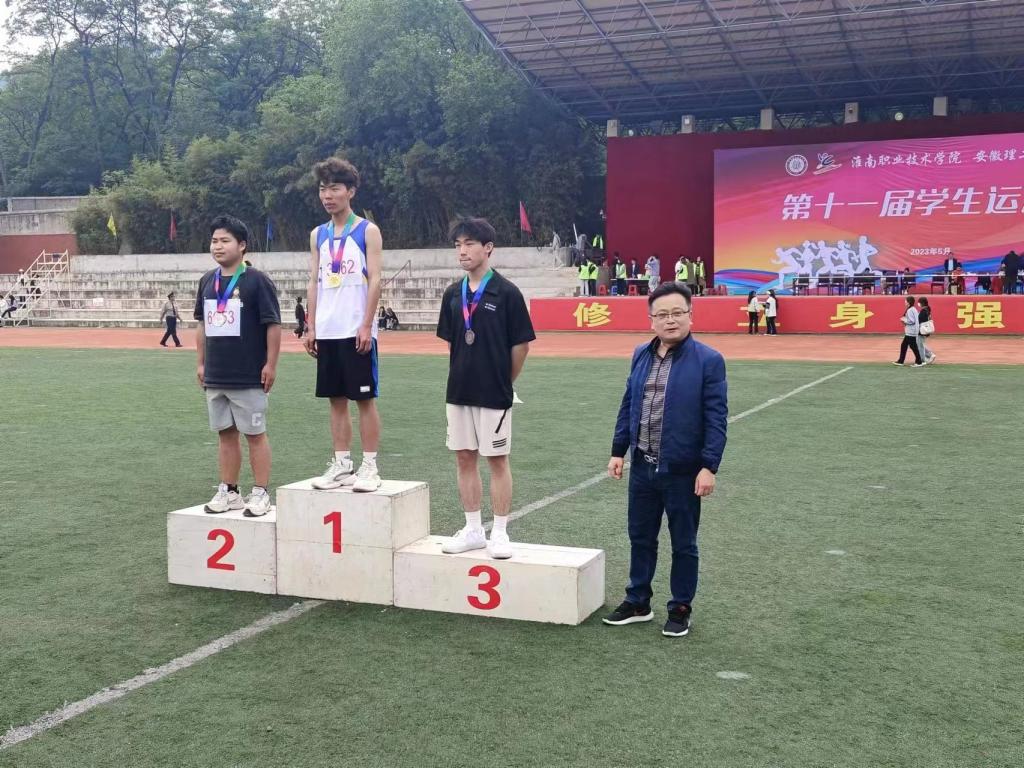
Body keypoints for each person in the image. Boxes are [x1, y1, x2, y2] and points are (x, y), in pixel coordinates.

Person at [603, 281, 728, 637]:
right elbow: (629, 403)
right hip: (643, 467)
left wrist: (709, 466)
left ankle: (680, 608)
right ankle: (638, 601)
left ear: (690, 315)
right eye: (662, 315)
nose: (670, 320)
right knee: (640, 537)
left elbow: (716, 417)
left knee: (684, 543)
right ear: (651, 320)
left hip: (683, 471)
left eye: (677, 313)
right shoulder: (641, 354)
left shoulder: (709, 360)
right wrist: (618, 450)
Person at [436, 217, 536, 560]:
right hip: (458, 391)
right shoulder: (453, 294)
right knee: (464, 458)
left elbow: (521, 345)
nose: (462, 251)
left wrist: (504, 381)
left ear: (488, 248)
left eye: (469, 244)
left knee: (496, 460)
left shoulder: (507, 293)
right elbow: (453, 342)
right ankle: (473, 530)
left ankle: (501, 532)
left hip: (494, 393)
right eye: (458, 245)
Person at [194, 215, 281, 517]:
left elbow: (272, 325)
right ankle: (230, 491)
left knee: (255, 434)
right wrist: (201, 363)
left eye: (225, 241)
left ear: (242, 245)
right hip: (216, 374)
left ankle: (261, 492)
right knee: (225, 434)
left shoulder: (257, 281)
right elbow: (202, 324)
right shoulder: (207, 281)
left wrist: (271, 365)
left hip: (249, 374)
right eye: (214, 241)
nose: (217, 246)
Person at [305, 157, 385, 493]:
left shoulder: (367, 231)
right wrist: (311, 326)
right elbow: (314, 281)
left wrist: (366, 325)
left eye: (335, 188)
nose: (327, 195)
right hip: (327, 329)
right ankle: (342, 464)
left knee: (364, 399)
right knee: (335, 399)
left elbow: (376, 279)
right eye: (323, 189)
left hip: (356, 329)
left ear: (350, 191)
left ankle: (370, 466)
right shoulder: (318, 234)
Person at [894, 295, 924, 366]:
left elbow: (911, 321)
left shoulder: (910, 310)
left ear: (908, 302)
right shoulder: (913, 309)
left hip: (911, 331)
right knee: (905, 345)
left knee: (912, 346)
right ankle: (901, 361)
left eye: (906, 301)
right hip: (912, 331)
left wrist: (904, 320)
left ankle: (918, 361)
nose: (905, 302)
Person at [916, 296, 936, 364]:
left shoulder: (923, 311)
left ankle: (924, 359)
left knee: (920, 345)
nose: (918, 304)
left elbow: (920, 320)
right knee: (919, 344)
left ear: (922, 303)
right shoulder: (927, 309)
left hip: (922, 330)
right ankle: (929, 355)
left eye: (919, 302)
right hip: (925, 329)